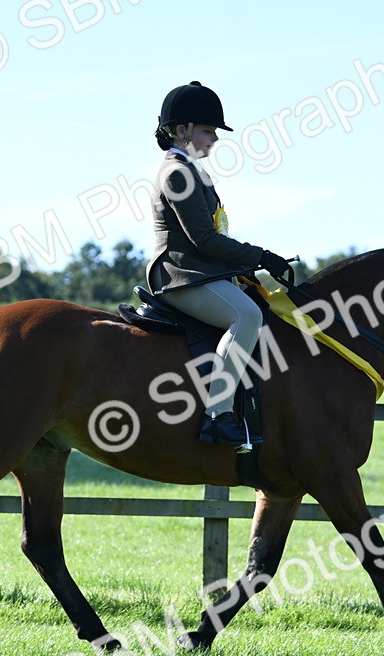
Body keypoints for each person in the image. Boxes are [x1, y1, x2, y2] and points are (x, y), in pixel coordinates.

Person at [147, 81, 293, 451]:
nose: (214, 139)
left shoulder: (193, 171)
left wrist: (247, 268)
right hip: (181, 274)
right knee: (246, 316)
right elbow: (204, 240)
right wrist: (259, 256)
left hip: (200, 271)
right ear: (180, 131)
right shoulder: (177, 173)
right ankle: (219, 416)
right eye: (208, 130)